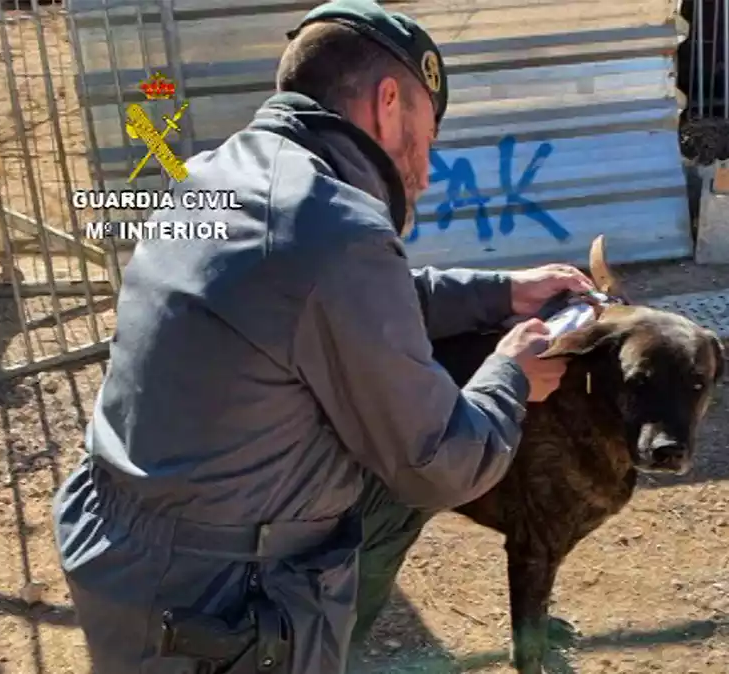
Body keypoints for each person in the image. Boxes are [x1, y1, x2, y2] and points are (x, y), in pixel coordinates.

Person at [51, 1, 595, 672]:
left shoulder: (215, 176)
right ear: (388, 102)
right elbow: (443, 462)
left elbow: (352, 305)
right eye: (426, 141)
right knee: (413, 457)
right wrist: (511, 373)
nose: (425, 173)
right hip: (215, 600)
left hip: (129, 540)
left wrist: (502, 292)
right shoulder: (335, 230)